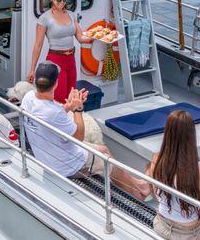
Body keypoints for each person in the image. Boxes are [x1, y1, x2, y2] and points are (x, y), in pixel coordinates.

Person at [22, 62, 150, 200]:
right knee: (107, 161)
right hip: (67, 165)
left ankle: (137, 183)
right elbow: (79, 137)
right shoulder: (54, 112)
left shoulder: (29, 98)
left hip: (48, 156)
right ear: (56, 83)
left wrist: (69, 106)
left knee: (104, 149)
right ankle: (138, 191)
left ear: (36, 81)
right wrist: (78, 109)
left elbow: (49, 117)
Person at [147, 110, 200, 239]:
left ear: (167, 133)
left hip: (161, 226)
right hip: (189, 234)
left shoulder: (156, 160)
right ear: (191, 135)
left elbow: (156, 193)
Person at [28, 0, 94, 103]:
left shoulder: (71, 14)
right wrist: (32, 69)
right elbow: (38, 45)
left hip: (70, 60)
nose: (62, 2)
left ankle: (67, 119)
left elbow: (80, 38)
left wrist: (97, 36)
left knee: (70, 95)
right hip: (55, 60)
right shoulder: (44, 18)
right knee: (59, 97)